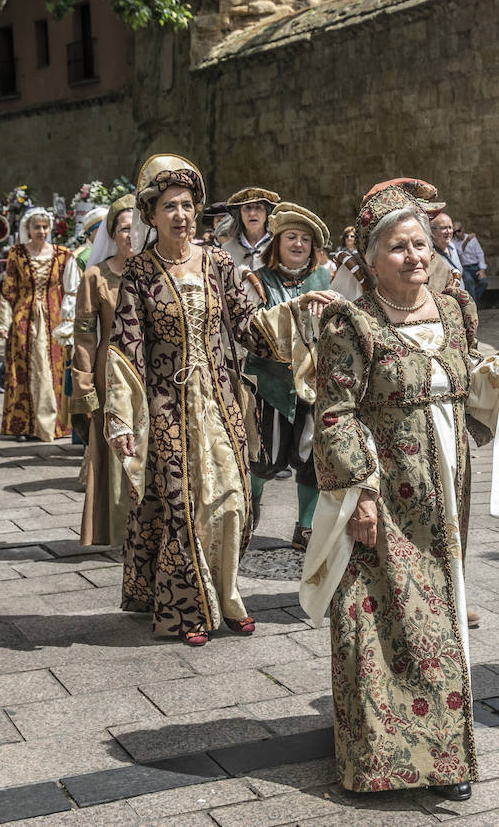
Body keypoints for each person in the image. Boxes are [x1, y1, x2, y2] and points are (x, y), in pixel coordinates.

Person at [299, 181, 499, 801]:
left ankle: (445, 757)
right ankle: (379, 758)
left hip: (445, 489)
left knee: (441, 614)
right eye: (399, 248)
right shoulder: (349, 324)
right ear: (369, 259)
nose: (415, 257)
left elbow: (470, 367)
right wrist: (359, 491)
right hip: (384, 496)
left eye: (420, 245)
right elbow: (335, 411)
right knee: (378, 618)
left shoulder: (456, 309)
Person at [104, 154, 334, 646]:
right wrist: (123, 419)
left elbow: (250, 326)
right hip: (167, 405)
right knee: (182, 506)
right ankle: (185, 609)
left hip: (221, 399)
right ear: (151, 214)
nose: (182, 216)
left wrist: (295, 310)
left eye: (188, 205)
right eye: (170, 206)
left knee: (233, 503)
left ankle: (226, 595)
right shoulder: (141, 273)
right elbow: (126, 348)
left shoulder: (218, 262)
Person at [239, 202, 332, 550]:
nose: (298, 244)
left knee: (309, 458)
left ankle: (305, 527)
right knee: (263, 457)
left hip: (313, 386)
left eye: (305, 240)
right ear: (276, 244)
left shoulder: (326, 278)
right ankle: (249, 510)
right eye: (291, 237)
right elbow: (248, 331)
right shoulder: (256, 281)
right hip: (270, 386)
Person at [71, 193, 137, 546]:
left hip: (150, 372)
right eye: (123, 229)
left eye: (136, 228)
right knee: (116, 450)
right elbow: (82, 335)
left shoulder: (154, 271)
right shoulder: (95, 276)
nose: (130, 235)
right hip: (109, 371)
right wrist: (83, 386)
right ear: (112, 234)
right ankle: (118, 528)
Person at [0, 208, 78, 442]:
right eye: (36, 227)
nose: (41, 231)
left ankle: (56, 425)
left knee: (54, 369)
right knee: (23, 367)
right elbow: (8, 291)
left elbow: (72, 289)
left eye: (45, 227)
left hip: (54, 319)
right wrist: (4, 322)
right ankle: (25, 426)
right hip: (24, 319)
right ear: (28, 229)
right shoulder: (17, 254)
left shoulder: (63, 255)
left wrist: (71, 320)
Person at [220, 187, 279, 276]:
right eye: (247, 208)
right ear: (240, 215)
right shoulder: (227, 249)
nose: (252, 213)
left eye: (258, 208)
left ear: (267, 213)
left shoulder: (277, 246)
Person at [452, 220, 487, 303]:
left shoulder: (473, 240)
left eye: (458, 231)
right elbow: (459, 252)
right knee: (468, 281)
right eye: (454, 232)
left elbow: (480, 254)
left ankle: (474, 302)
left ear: (463, 229)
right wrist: (467, 241)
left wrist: (482, 270)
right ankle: (474, 304)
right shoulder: (453, 242)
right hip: (464, 268)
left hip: (475, 266)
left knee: (484, 282)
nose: (457, 234)